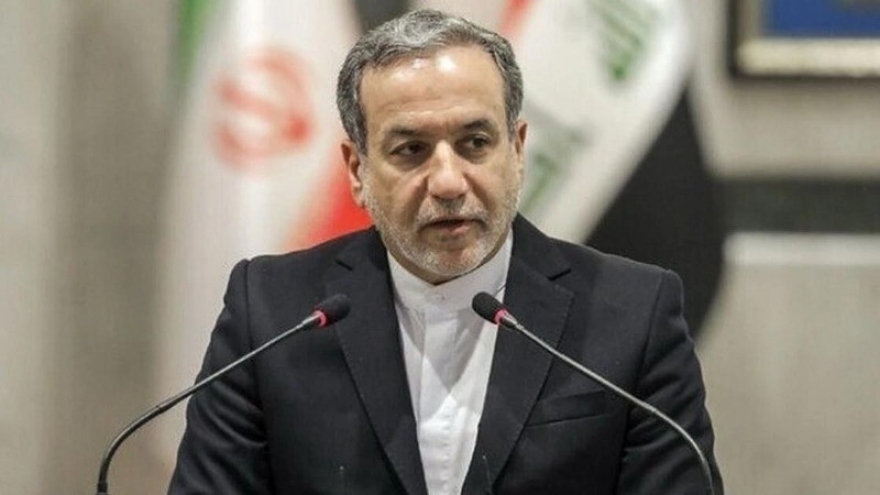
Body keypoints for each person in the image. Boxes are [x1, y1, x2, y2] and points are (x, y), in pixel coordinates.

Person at [169, 9, 723, 495]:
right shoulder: (272, 314)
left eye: (475, 144)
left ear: (518, 152)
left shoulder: (633, 314)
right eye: (411, 150)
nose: (449, 181)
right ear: (358, 171)